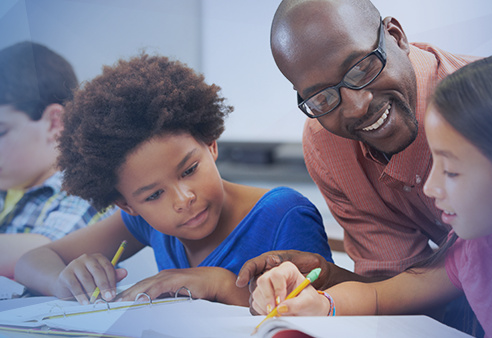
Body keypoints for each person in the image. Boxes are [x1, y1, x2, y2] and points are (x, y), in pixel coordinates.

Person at [251, 51, 492, 337]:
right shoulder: (478, 255)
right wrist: (322, 305)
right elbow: (377, 295)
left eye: (451, 171)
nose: (431, 189)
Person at [14, 53, 333, 307]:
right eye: (153, 195)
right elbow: (32, 260)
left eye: (189, 170)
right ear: (127, 204)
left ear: (211, 143)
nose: (183, 199)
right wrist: (62, 280)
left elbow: (320, 309)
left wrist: (218, 285)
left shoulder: (284, 214)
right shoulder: (142, 222)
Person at [236, 0, 481, 291]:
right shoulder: (325, 144)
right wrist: (327, 278)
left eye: (362, 68)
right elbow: (397, 288)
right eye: (322, 98)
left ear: (396, 36)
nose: (356, 108)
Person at [0, 42, 113, 278]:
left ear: (54, 123)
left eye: (2, 132)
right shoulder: (9, 186)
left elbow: (48, 254)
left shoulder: (86, 188)